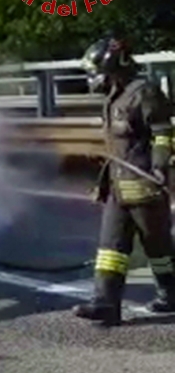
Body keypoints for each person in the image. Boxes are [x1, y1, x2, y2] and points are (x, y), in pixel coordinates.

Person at [73, 36, 175, 326]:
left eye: (97, 72)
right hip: (118, 187)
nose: (94, 79)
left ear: (113, 66)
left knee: (158, 247)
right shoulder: (115, 96)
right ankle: (105, 304)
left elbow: (164, 133)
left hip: (145, 187)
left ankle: (170, 293)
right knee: (110, 248)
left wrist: (159, 166)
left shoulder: (144, 93)